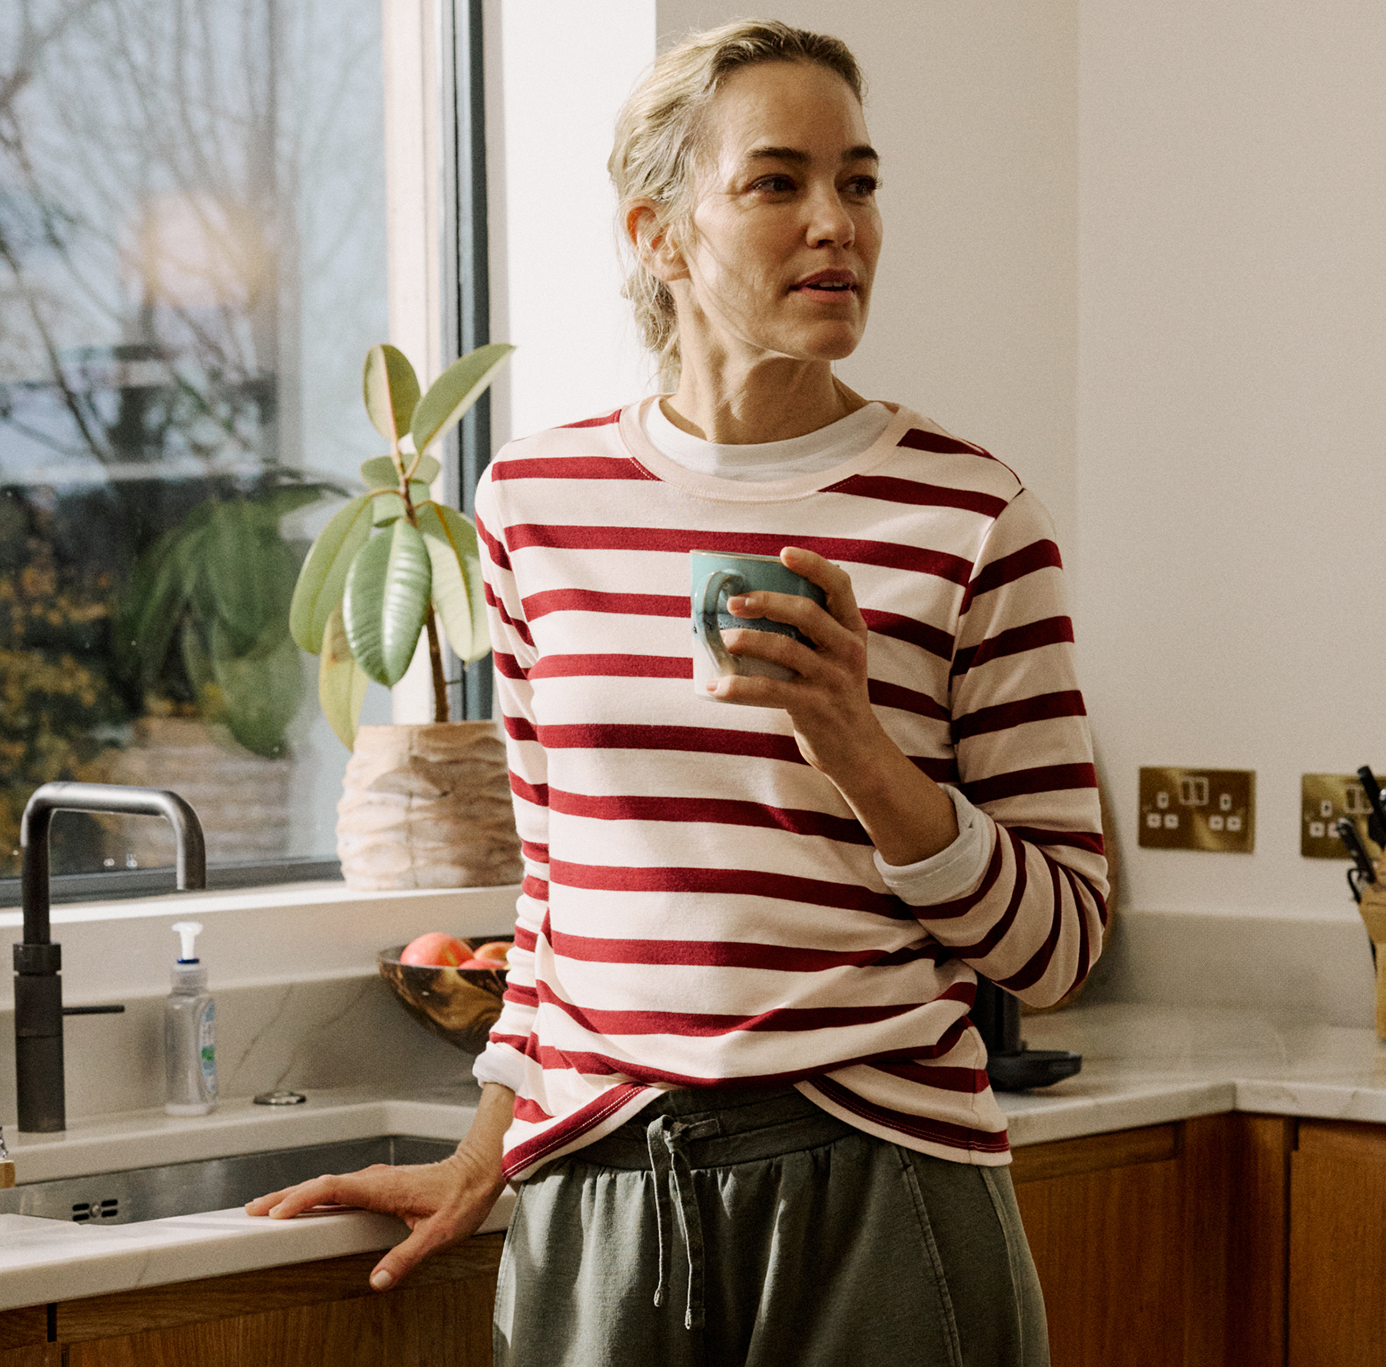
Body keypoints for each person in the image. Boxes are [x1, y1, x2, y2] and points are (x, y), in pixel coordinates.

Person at [249, 20, 1107, 1366]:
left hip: (883, 1179)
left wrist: (858, 752)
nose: (838, 222)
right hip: (601, 1197)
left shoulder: (972, 517)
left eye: (861, 182)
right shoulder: (536, 506)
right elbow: (562, 898)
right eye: (779, 183)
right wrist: (489, 1152)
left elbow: (1058, 949)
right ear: (659, 234)